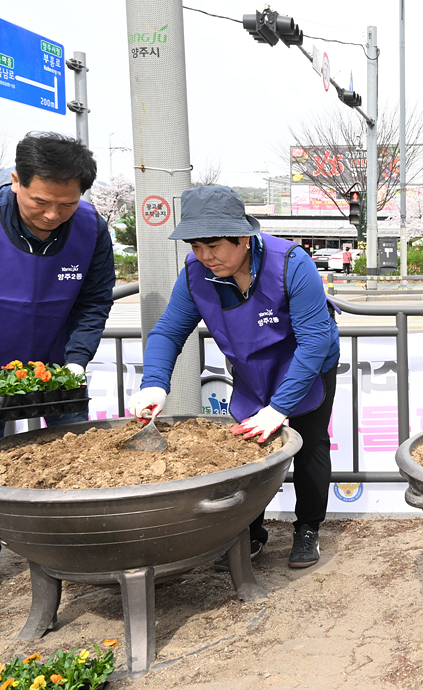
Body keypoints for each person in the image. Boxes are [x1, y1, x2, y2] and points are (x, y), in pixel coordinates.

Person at [0, 132, 114, 603]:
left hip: (55, 370)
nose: (53, 214)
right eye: (40, 201)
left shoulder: (92, 229)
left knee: (75, 453)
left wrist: (76, 361)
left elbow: (94, 301)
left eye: (67, 204)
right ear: (16, 180)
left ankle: (80, 546)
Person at [127, 186, 339, 570]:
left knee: (309, 446)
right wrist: (154, 383)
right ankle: (249, 532)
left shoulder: (291, 262)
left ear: (243, 237)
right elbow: (169, 332)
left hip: (306, 365)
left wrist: (278, 409)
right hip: (250, 368)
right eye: (195, 246)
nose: (205, 256)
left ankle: (308, 528)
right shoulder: (195, 275)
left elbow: (314, 341)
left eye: (213, 245)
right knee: (246, 451)